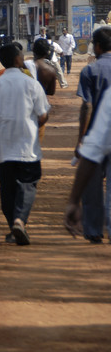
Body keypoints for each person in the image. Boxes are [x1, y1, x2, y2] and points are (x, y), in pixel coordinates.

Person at [0, 43, 50, 245]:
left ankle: (14, 226)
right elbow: (43, 114)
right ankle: (20, 220)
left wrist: (1, 124)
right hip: (27, 146)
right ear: (17, 59)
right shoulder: (31, 84)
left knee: (7, 190)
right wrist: (34, 124)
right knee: (27, 185)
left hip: (4, 147)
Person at [70, 26, 111, 242]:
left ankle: (94, 231)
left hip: (96, 137)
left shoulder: (90, 71)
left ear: (96, 46)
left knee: (92, 186)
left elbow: (87, 105)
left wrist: (80, 139)